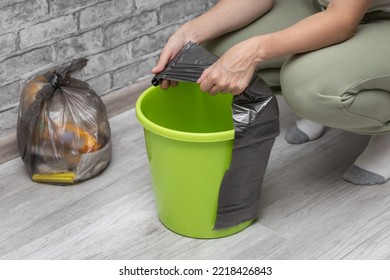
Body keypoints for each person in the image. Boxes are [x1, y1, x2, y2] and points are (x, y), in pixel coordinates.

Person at [152, 0, 390, 185]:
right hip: (325, 7)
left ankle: (384, 127)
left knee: (308, 86)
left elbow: (342, 20)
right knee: (216, 50)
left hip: (377, 20)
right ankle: (331, 81)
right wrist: (190, 32)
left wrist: (254, 51)